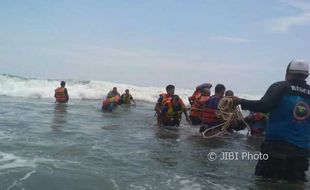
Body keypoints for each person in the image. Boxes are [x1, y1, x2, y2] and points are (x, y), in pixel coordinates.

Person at [233, 59, 310, 181]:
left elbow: (264, 106)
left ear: (287, 73)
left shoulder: (280, 87)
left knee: (264, 183)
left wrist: (240, 101)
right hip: (301, 154)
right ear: (306, 75)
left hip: (275, 149)